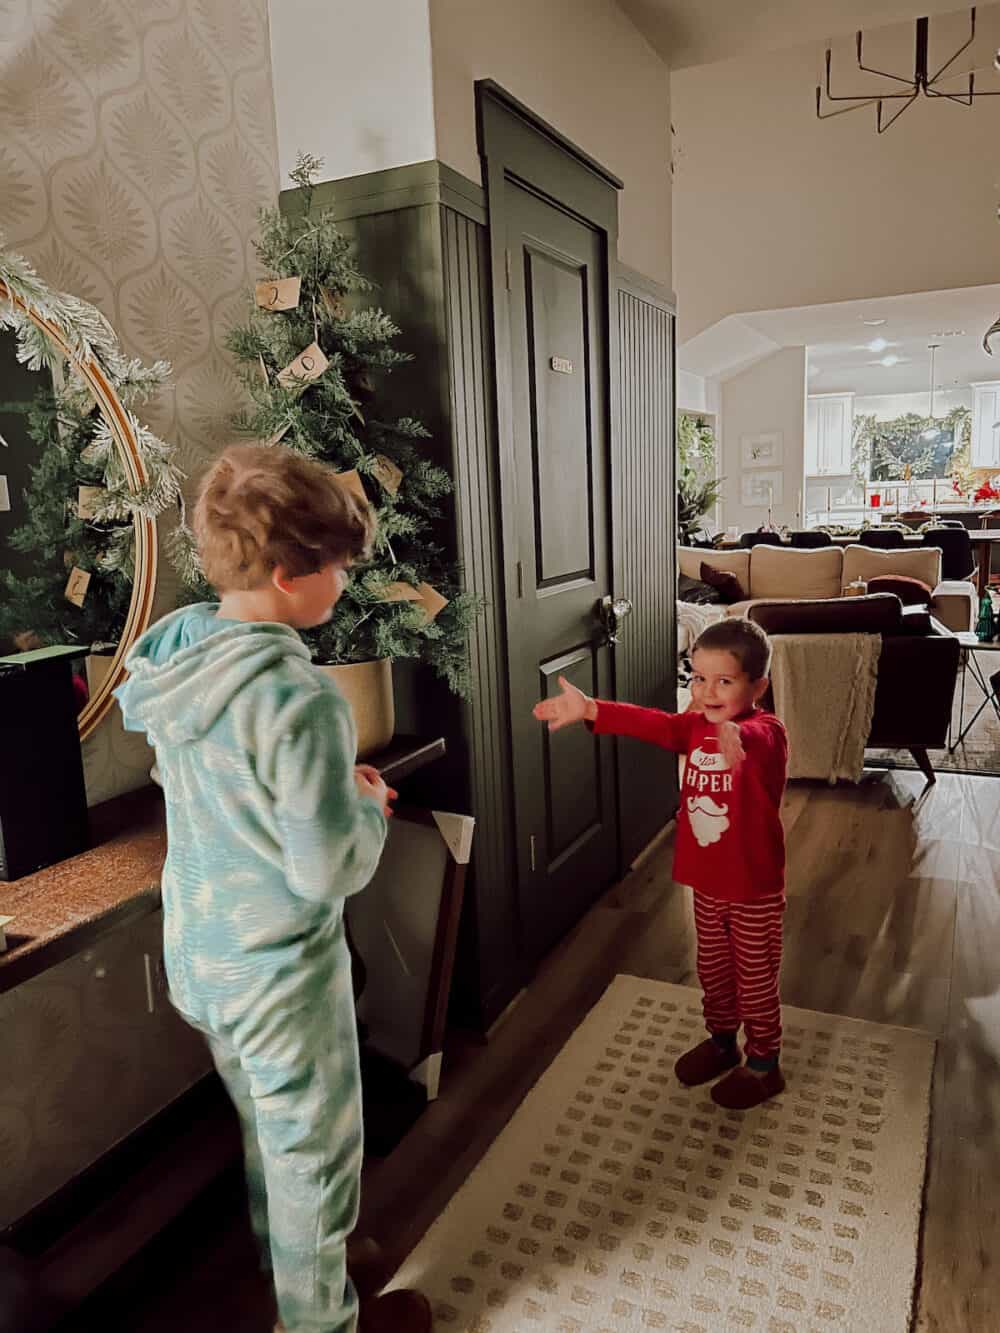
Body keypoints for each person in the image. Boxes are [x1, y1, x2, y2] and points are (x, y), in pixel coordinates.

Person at [115, 444, 430, 1333]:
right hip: (280, 974)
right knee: (318, 1155)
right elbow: (327, 865)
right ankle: (320, 1320)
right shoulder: (301, 698)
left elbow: (232, 796)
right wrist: (366, 805)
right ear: (294, 575)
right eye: (335, 567)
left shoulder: (181, 656)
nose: (343, 583)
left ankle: (295, 1262)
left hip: (203, 958)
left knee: (268, 1127)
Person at [533, 618, 788, 1111]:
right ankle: (721, 1041)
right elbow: (652, 723)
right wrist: (591, 708)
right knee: (713, 970)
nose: (707, 691)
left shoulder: (765, 733)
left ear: (758, 686)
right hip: (707, 883)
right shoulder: (691, 726)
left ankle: (764, 1064)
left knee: (754, 978)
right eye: (698, 677)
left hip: (753, 888)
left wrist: (735, 736)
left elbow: (757, 742)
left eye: (725, 681)